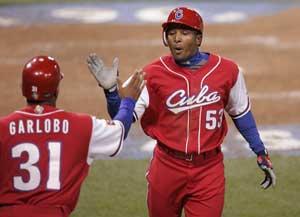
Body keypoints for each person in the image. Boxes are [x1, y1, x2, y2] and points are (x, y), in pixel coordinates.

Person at [87, 6, 276, 217]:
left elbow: (241, 113)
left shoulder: (228, 71)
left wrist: (260, 151)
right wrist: (111, 92)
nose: (176, 39)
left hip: (208, 170)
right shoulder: (152, 74)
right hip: (167, 167)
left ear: (198, 38)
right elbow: (122, 118)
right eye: (171, 33)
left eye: (184, 33)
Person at [0, 55, 145, 217]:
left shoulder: (3, 128)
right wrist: (125, 100)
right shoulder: (81, 126)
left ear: (23, 88)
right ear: (56, 89)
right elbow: (119, 132)